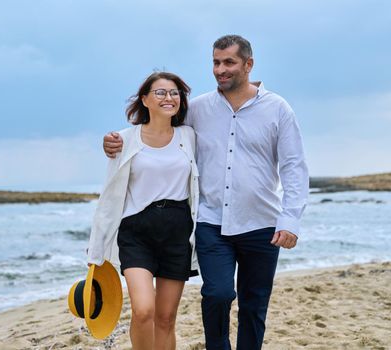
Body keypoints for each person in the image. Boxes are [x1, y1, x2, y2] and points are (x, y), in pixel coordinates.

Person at [103, 35, 309, 350]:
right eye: (216, 62)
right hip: (211, 222)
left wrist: (290, 219)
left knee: (254, 304)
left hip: (263, 223)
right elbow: (158, 130)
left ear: (248, 65)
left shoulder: (278, 109)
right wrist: (116, 142)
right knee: (218, 293)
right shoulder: (198, 109)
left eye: (229, 62)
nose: (220, 70)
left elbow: (293, 167)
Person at [87, 71, 199, 350]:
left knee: (165, 317)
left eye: (174, 93)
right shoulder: (124, 139)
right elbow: (110, 195)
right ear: (145, 99)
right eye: (160, 92)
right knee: (143, 310)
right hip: (136, 233)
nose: (169, 98)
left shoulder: (189, 135)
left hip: (177, 232)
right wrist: (96, 249)